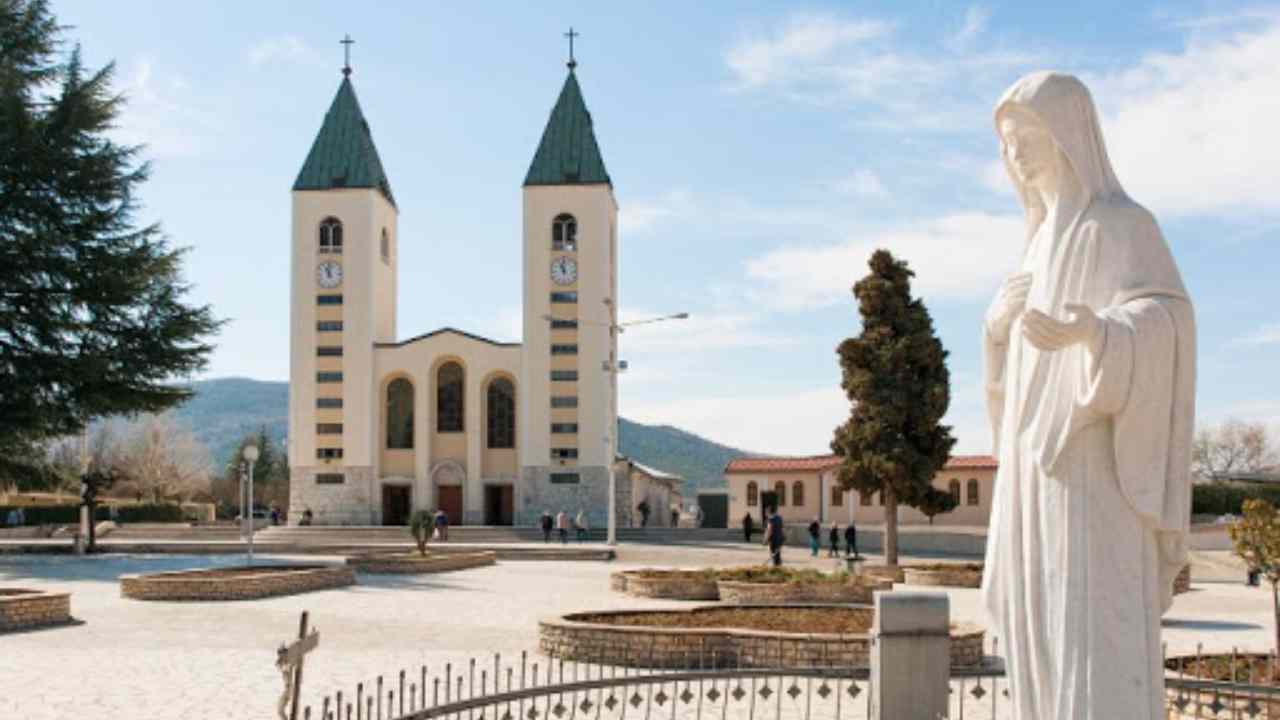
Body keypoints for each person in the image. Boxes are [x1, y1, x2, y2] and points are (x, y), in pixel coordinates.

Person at [981, 72, 1195, 719]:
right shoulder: (1035, 245)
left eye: (1028, 138)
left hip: (1092, 465)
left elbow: (1171, 322)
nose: (1016, 155)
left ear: (1069, 136)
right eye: (1008, 144)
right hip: (1031, 473)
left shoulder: (1123, 225)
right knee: (1040, 624)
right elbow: (1010, 375)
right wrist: (993, 332)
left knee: (1089, 623)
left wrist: (1097, 333)